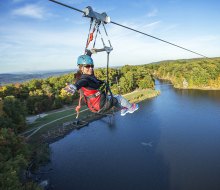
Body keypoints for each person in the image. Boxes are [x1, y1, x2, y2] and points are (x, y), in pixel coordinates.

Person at [65, 54, 139, 116]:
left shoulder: (86, 76)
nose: (90, 68)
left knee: (113, 98)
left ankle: (123, 109)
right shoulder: (84, 80)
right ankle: (131, 108)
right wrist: (74, 87)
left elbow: (86, 83)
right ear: (81, 68)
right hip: (100, 105)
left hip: (94, 106)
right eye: (87, 66)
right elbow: (80, 83)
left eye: (92, 66)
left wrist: (89, 52)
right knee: (119, 98)